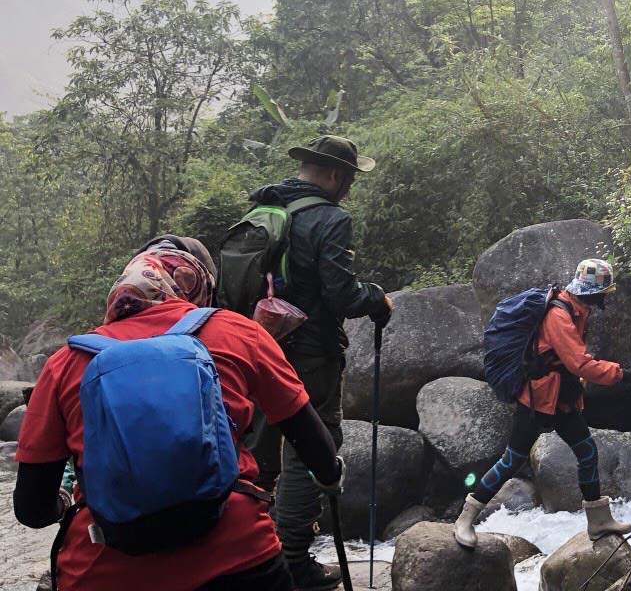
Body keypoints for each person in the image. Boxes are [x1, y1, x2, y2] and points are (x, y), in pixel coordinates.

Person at [13, 236, 343, 591]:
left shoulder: (65, 363)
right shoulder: (239, 332)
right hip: (240, 559)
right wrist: (330, 478)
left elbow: (31, 509)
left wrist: (63, 500)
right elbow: (316, 447)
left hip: (103, 570)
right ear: (198, 284)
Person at [248, 135, 393, 590]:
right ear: (333, 175)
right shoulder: (329, 218)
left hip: (255, 348)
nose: (348, 187)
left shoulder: (261, 213)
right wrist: (377, 300)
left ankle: (252, 552)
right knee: (311, 445)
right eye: (348, 177)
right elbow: (342, 295)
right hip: (309, 354)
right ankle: (292, 559)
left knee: (260, 448)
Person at [453, 259, 631, 548]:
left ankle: (598, 521)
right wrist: (625, 375)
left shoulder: (577, 309)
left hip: (562, 398)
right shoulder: (560, 315)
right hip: (537, 399)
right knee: (511, 460)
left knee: (586, 452)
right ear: (591, 291)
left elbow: (571, 363)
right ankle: (465, 519)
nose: (606, 297)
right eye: (604, 292)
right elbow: (580, 363)